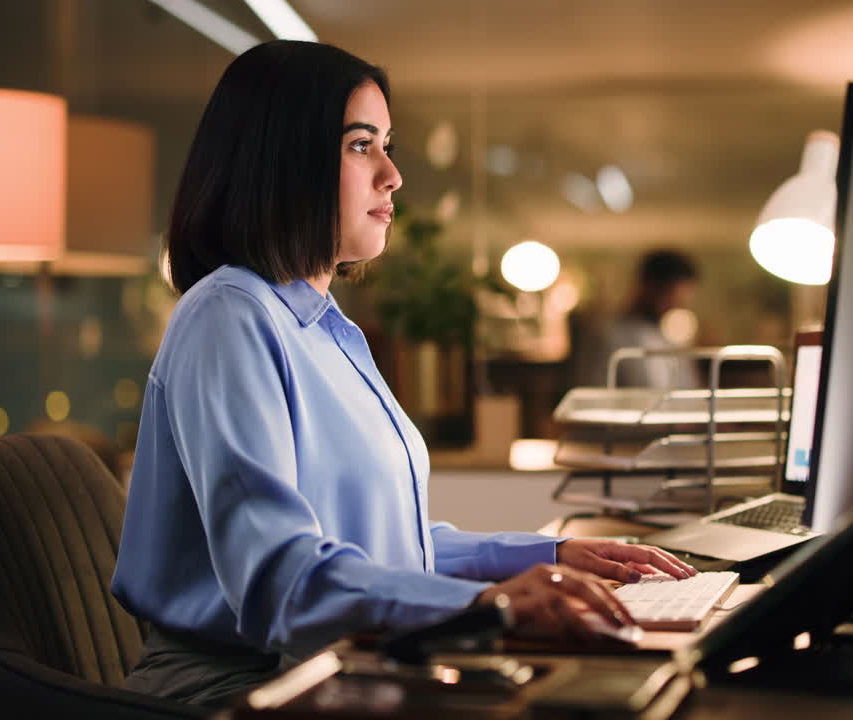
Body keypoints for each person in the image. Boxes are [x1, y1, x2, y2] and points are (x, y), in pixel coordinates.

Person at [110, 40, 696, 709]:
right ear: (285, 156)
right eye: (362, 145)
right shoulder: (228, 317)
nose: (392, 174)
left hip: (339, 667)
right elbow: (280, 580)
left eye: (387, 144)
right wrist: (488, 602)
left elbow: (385, 553)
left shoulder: (323, 331)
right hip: (244, 692)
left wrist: (546, 558)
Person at [570, 249, 702, 389]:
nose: (675, 307)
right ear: (650, 287)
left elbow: (689, 389)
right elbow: (592, 394)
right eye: (671, 298)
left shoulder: (673, 339)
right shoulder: (607, 336)